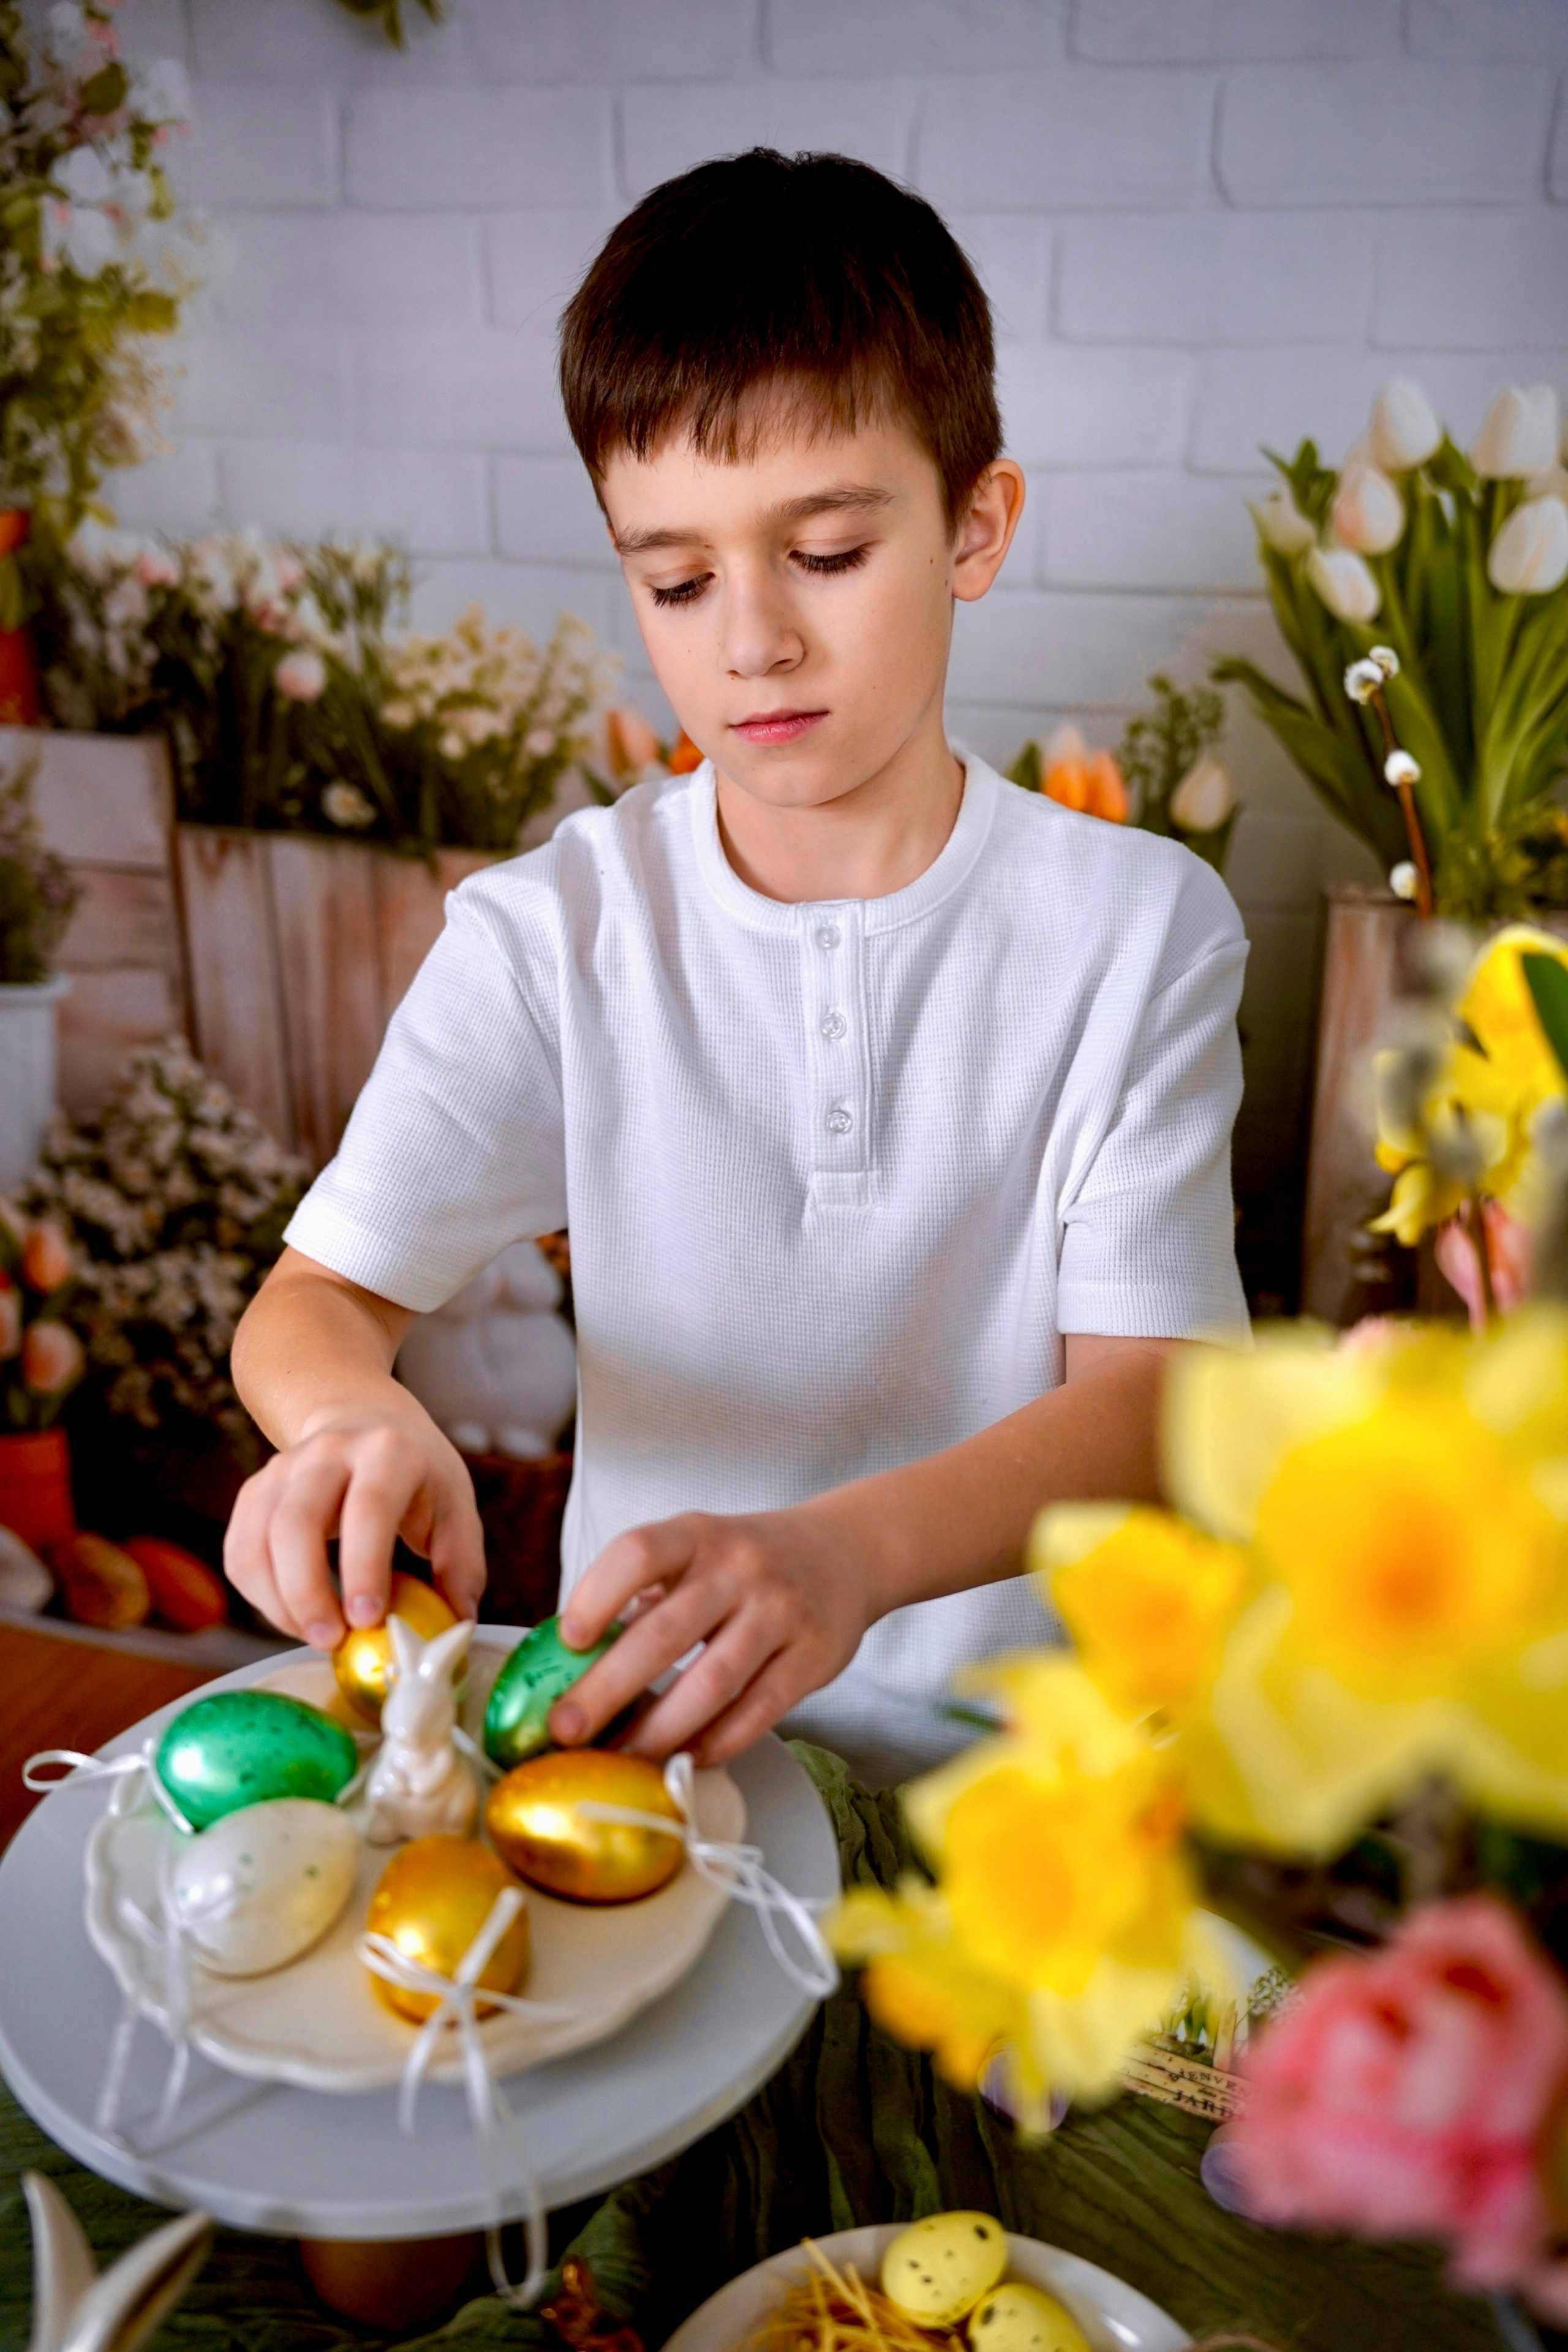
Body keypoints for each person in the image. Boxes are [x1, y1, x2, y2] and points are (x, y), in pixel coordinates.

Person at [225, 148, 1248, 1787]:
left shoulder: (1138, 929)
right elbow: (311, 1303)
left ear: (975, 525)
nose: (750, 641)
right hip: (649, 1753)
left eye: (828, 553)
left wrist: (840, 1558)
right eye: (678, 579)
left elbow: (1155, 1407)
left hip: (1032, 1795)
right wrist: (352, 1421)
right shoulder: (557, 929)